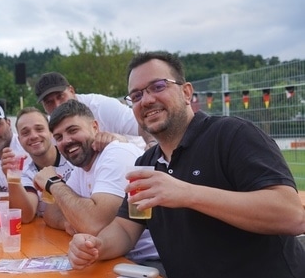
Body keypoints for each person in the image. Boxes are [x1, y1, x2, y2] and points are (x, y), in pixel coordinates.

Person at [67, 52, 305, 278]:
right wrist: (96, 245)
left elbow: (292, 216)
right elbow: (126, 228)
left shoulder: (232, 134)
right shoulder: (146, 163)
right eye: (136, 96)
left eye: (158, 86)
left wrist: (186, 193)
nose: (147, 100)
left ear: (186, 92)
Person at [33, 99, 163, 274]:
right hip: (116, 257)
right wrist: (71, 221)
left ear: (95, 127)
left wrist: (53, 184)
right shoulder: (81, 167)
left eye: (73, 130)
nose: (66, 141)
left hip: (152, 262)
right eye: (58, 137)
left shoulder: (116, 153)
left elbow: (95, 224)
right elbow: (50, 214)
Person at [34, 71, 156, 150]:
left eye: (60, 96)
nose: (57, 105)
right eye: (49, 102)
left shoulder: (102, 106)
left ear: (71, 90)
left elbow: (144, 125)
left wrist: (153, 148)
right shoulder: (49, 127)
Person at [2, 107, 73, 223]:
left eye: (39, 129)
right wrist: (11, 177)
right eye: (25, 133)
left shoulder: (72, 158)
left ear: (51, 132)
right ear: (19, 141)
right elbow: (26, 216)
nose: (33, 136)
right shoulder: (25, 170)